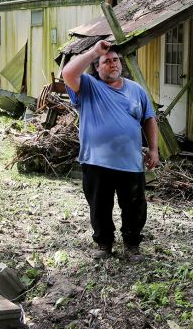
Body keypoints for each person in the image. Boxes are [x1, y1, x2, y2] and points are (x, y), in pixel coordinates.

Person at [62, 40, 159, 262]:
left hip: (130, 161)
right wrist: (95, 51)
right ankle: (104, 245)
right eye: (106, 61)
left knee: (134, 206)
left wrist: (154, 149)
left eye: (115, 60)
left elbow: (149, 119)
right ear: (97, 67)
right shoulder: (87, 86)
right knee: (99, 206)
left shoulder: (136, 90)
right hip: (96, 162)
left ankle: (131, 245)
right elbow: (68, 72)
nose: (112, 64)